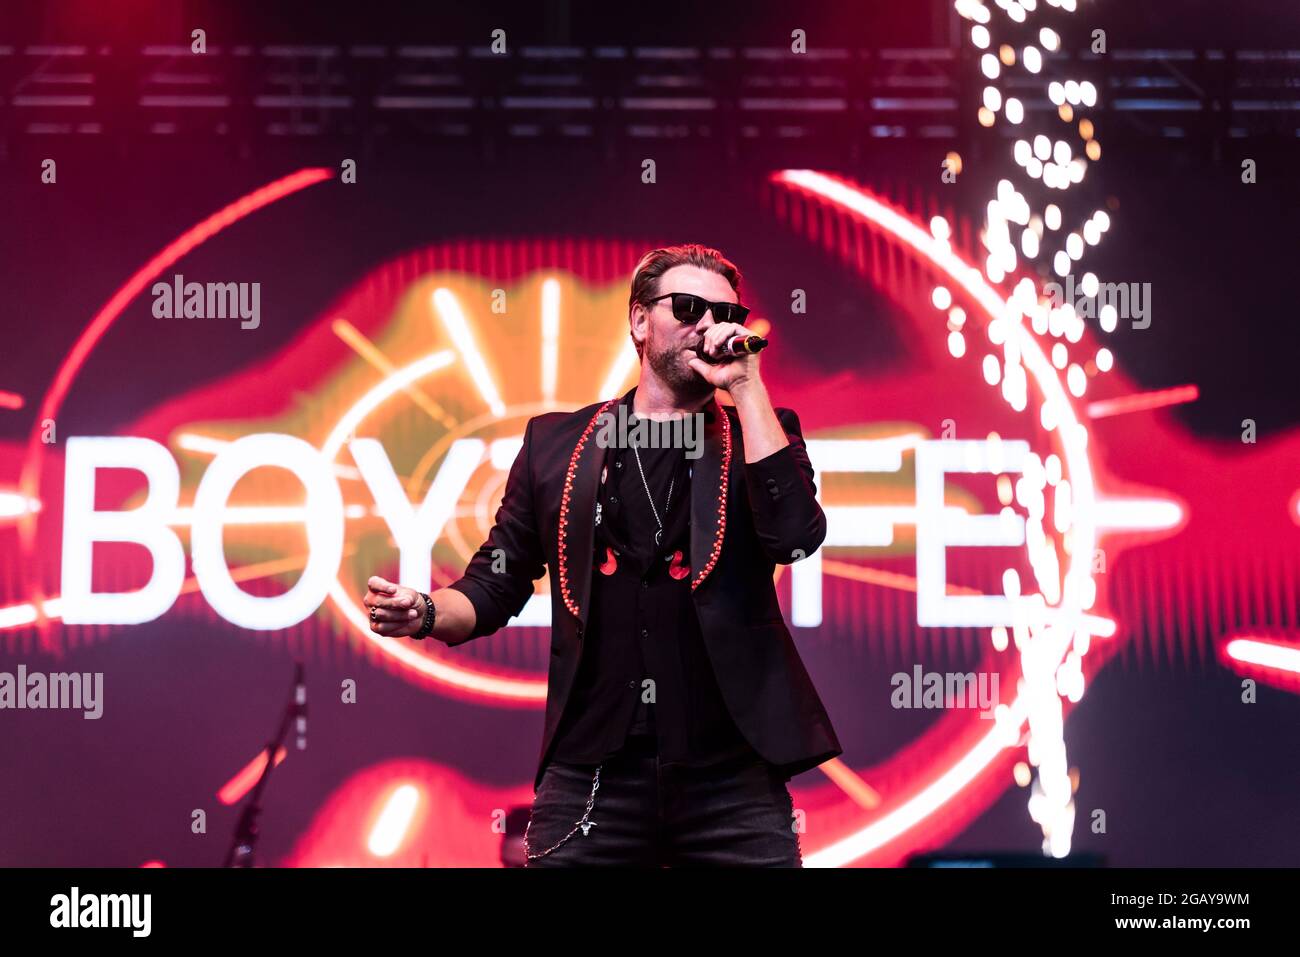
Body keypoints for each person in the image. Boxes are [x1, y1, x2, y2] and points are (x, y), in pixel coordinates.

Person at [364, 243, 841, 866]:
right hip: (592, 777)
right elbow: (495, 583)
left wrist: (746, 388)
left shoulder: (762, 432)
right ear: (639, 321)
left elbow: (796, 537)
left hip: (732, 779)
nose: (711, 325)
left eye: (728, 313)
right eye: (690, 307)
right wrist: (425, 612)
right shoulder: (556, 446)